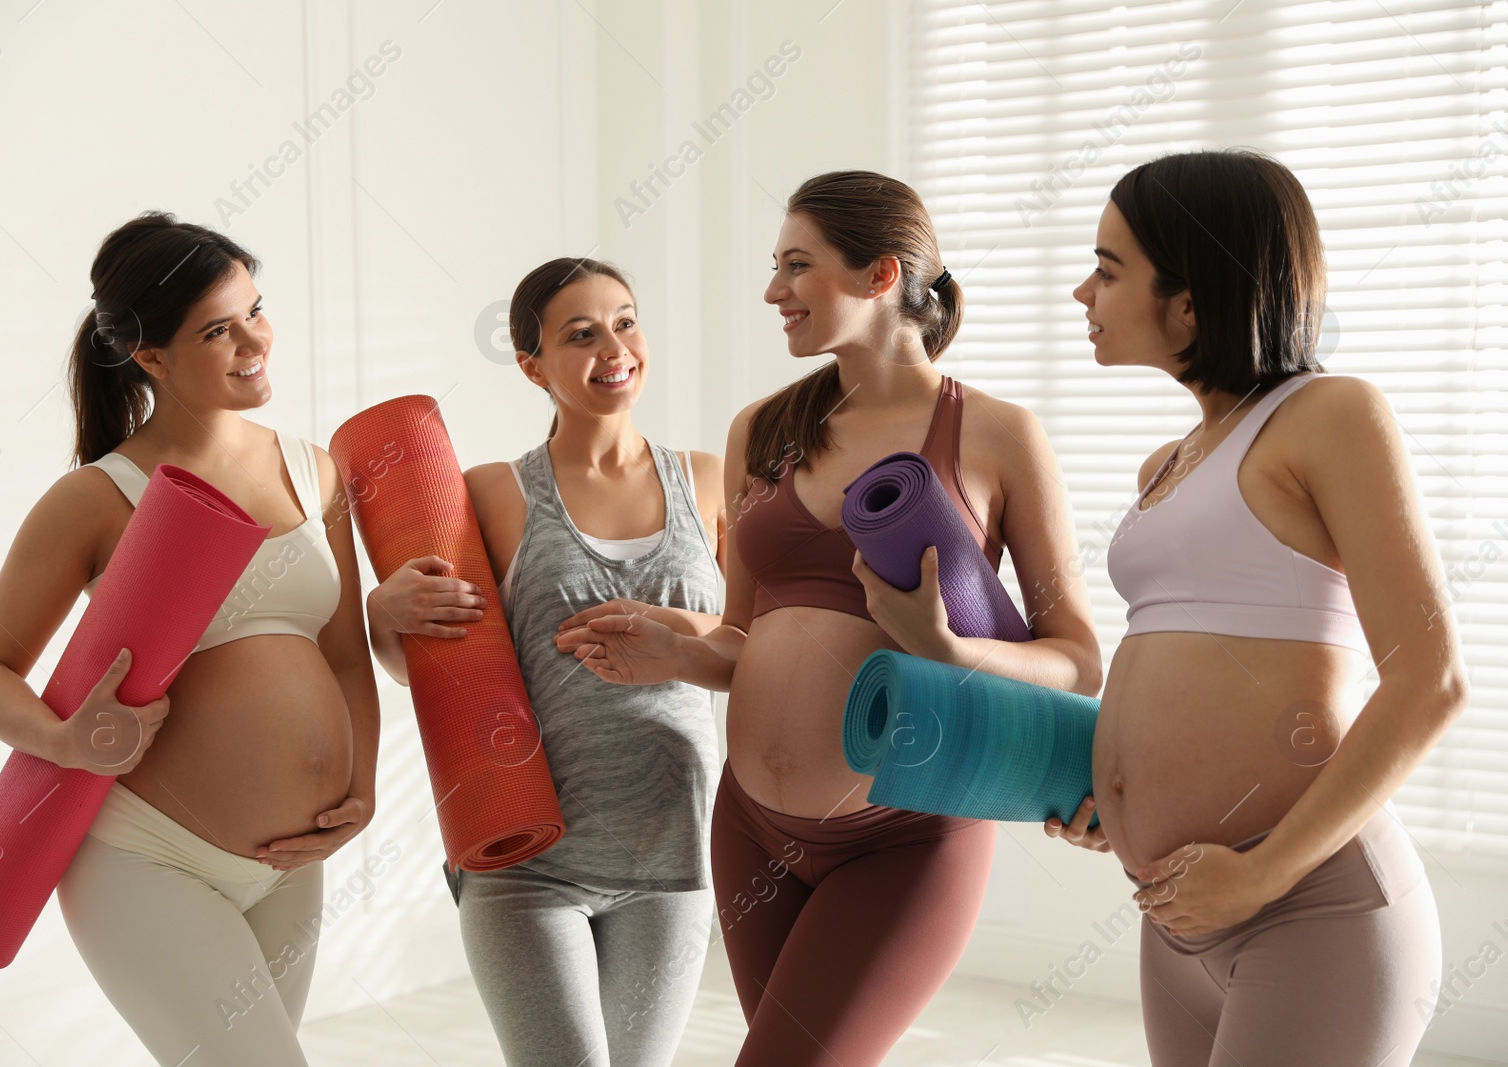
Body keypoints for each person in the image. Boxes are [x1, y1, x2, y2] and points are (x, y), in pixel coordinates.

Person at [555, 170, 1102, 1066]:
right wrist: (674, 651)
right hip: (749, 826)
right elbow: (742, 636)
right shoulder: (761, 431)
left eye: (796, 266)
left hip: (906, 831)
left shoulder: (998, 435)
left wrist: (947, 646)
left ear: (880, 274)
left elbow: (1080, 661)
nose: (774, 291)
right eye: (775, 266)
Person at [1047, 149, 1465, 1066]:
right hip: (1176, 916)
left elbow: (1430, 680)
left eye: (1108, 270)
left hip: (1309, 907)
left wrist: (1262, 873)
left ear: (1191, 300)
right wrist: (1110, 798)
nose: (1083, 292)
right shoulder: (1167, 463)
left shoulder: (1332, 415)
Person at [0, 212, 380, 1066]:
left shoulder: (315, 468)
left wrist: (359, 791)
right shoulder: (98, 496)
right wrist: (63, 739)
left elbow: (343, 651)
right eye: (218, 329)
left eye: (256, 310)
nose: (254, 340)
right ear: (149, 355)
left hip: (295, 862)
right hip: (147, 856)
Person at [365, 257, 726, 1067]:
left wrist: (670, 630)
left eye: (626, 321)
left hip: (675, 849)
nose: (614, 346)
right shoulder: (491, 493)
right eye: (581, 333)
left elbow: (760, 640)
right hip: (530, 859)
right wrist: (381, 613)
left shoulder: (708, 479)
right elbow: (432, 667)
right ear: (532, 364)